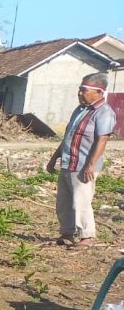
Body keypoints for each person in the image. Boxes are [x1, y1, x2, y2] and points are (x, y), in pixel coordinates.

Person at [47, 72, 116, 249]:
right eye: (79, 89)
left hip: (84, 165)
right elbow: (68, 137)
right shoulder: (80, 110)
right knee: (64, 201)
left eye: (84, 90)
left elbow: (102, 140)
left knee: (81, 201)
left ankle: (87, 236)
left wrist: (91, 164)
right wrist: (54, 158)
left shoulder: (104, 112)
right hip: (68, 162)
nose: (79, 93)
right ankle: (67, 233)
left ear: (99, 92)